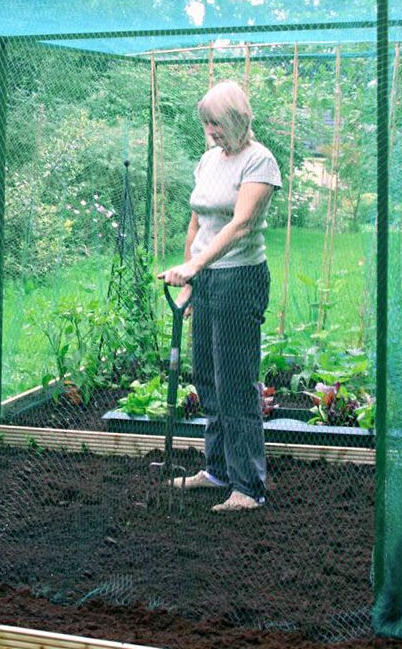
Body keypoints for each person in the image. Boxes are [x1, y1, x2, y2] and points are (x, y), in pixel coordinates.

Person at [158, 80, 281, 512]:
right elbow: (198, 219)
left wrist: (197, 265)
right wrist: (191, 274)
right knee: (208, 378)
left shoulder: (260, 161)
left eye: (216, 122)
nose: (210, 130)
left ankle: (248, 487)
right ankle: (217, 471)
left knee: (235, 384)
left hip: (239, 278)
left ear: (237, 119)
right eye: (206, 123)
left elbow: (242, 224)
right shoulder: (209, 160)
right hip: (207, 279)